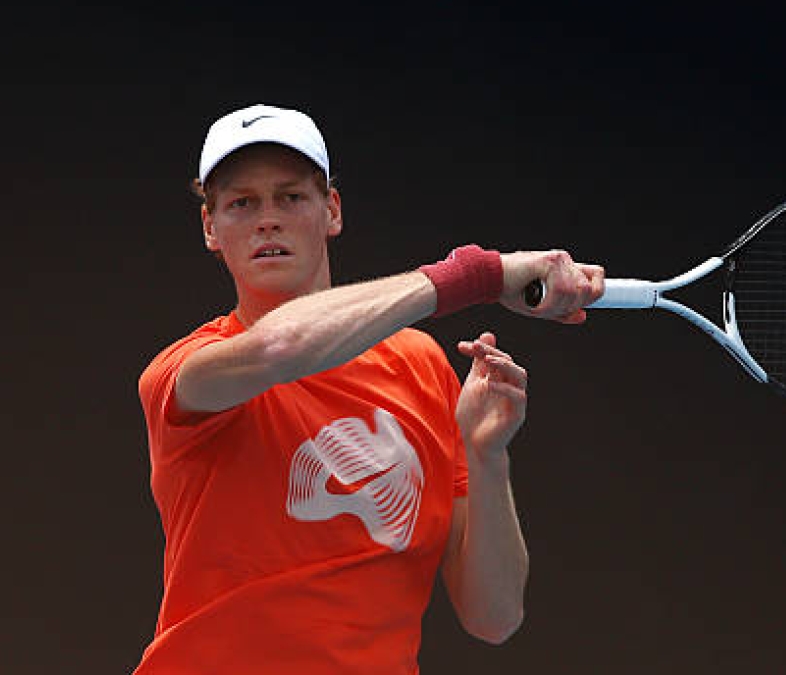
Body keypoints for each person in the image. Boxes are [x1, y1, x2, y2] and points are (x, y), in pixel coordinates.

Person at [134, 103, 604, 674]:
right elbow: (283, 347)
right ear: (211, 228)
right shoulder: (185, 373)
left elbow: (495, 617)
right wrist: (482, 274)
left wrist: (487, 457)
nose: (267, 219)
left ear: (330, 211)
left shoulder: (422, 367)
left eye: (290, 197)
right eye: (241, 203)